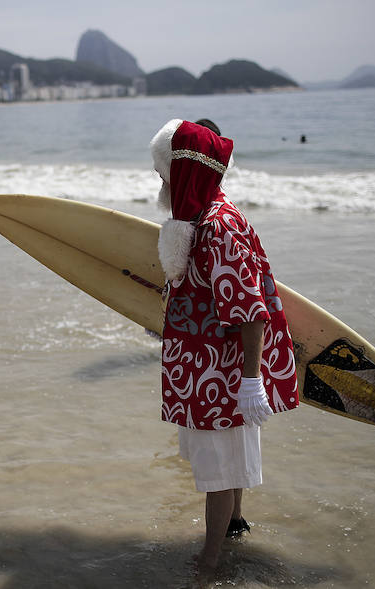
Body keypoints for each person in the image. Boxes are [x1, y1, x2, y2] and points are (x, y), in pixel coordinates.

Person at [149, 119, 298, 579]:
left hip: (224, 374)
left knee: (218, 469)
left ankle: (210, 563)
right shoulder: (198, 219)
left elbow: (250, 310)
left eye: (163, 173)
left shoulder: (218, 227)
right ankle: (235, 525)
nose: (159, 182)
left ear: (185, 173)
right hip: (205, 368)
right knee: (226, 460)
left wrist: (252, 383)